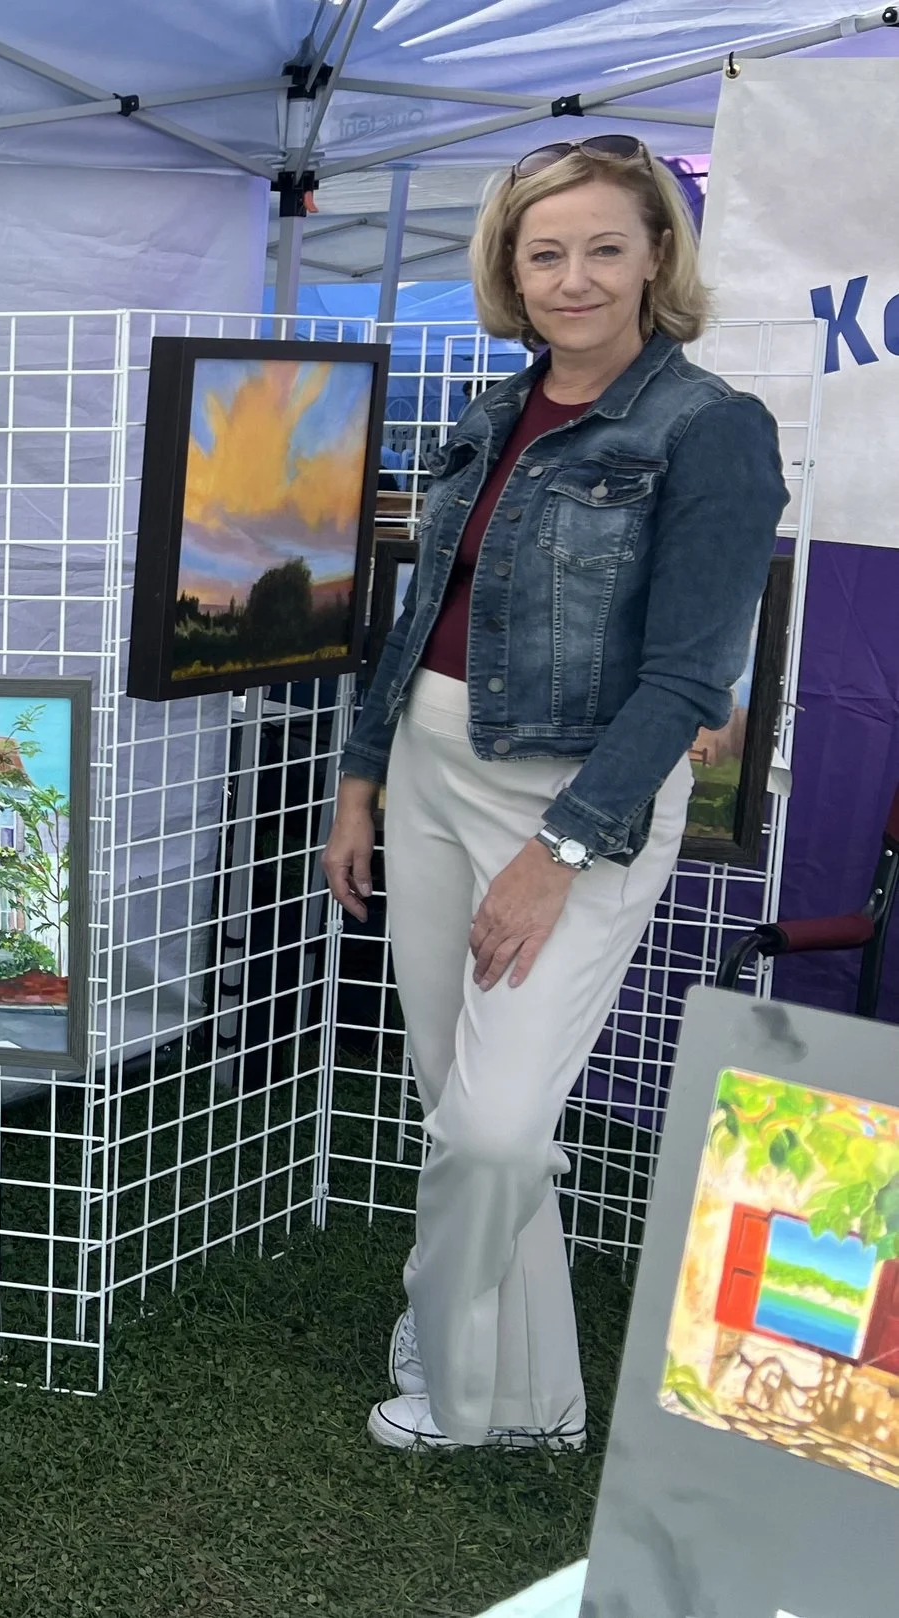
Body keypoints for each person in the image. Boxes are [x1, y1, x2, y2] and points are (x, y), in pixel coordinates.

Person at [322, 135, 788, 1451]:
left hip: (575, 803)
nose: (573, 278)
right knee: (448, 1092)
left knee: (496, 1126)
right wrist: (361, 777)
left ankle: (441, 1326)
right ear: (510, 271)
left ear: (656, 262)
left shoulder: (713, 431)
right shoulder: (490, 413)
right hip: (425, 767)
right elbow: (417, 620)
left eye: (603, 249)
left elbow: (693, 681)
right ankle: (517, 1402)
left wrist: (561, 846)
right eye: (546, 253)